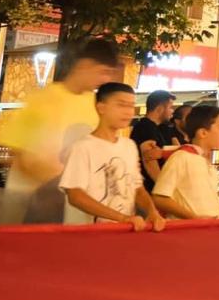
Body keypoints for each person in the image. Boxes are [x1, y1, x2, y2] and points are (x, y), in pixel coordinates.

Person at [0, 37, 120, 224]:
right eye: (103, 72)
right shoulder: (43, 100)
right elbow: (17, 153)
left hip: (72, 208)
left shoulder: (95, 107)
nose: (106, 79)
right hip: (30, 206)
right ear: (84, 65)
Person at [59, 83, 166, 231]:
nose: (128, 112)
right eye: (121, 105)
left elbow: (137, 188)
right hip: (88, 234)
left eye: (131, 106)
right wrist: (122, 218)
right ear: (101, 107)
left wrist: (152, 212)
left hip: (123, 232)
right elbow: (75, 196)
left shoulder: (129, 146)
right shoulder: (83, 147)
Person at [152, 104, 219, 220]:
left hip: (209, 231)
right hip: (188, 232)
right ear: (203, 133)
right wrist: (194, 218)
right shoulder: (181, 157)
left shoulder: (212, 163)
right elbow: (160, 198)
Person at [130, 89, 177, 192]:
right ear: (160, 109)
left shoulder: (156, 128)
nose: (172, 111)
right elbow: (150, 161)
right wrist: (163, 187)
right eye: (170, 107)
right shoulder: (146, 127)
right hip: (149, 190)